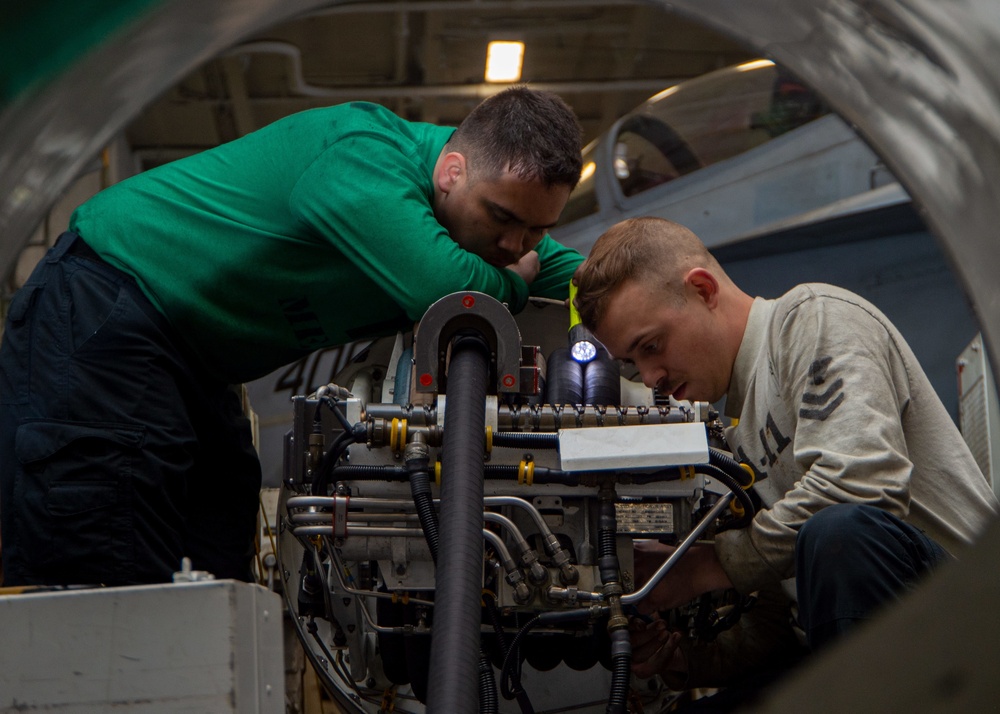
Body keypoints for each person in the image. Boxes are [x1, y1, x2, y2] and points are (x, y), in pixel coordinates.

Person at [0, 86, 586, 587]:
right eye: (502, 219)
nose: (515, 245)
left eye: (536, 229)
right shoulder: (364, 155)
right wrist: (517, 281)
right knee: (104, 552)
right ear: (450, 171)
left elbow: (593, 281)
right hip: (104, 310)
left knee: (218, 546)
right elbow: (450, 292)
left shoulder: (493, 218)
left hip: (196, 360)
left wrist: (664, 277)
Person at [573, 216, 998, 696]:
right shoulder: (735, 440)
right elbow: (777, 629)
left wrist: (701, 568)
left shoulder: (811, 318)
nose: (650, 377)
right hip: (867, 648)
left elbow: (860, 489)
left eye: (652, 346)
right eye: (633, 362)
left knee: (839, 530)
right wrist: (680, 659)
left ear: (703, 289)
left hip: (968, 626)